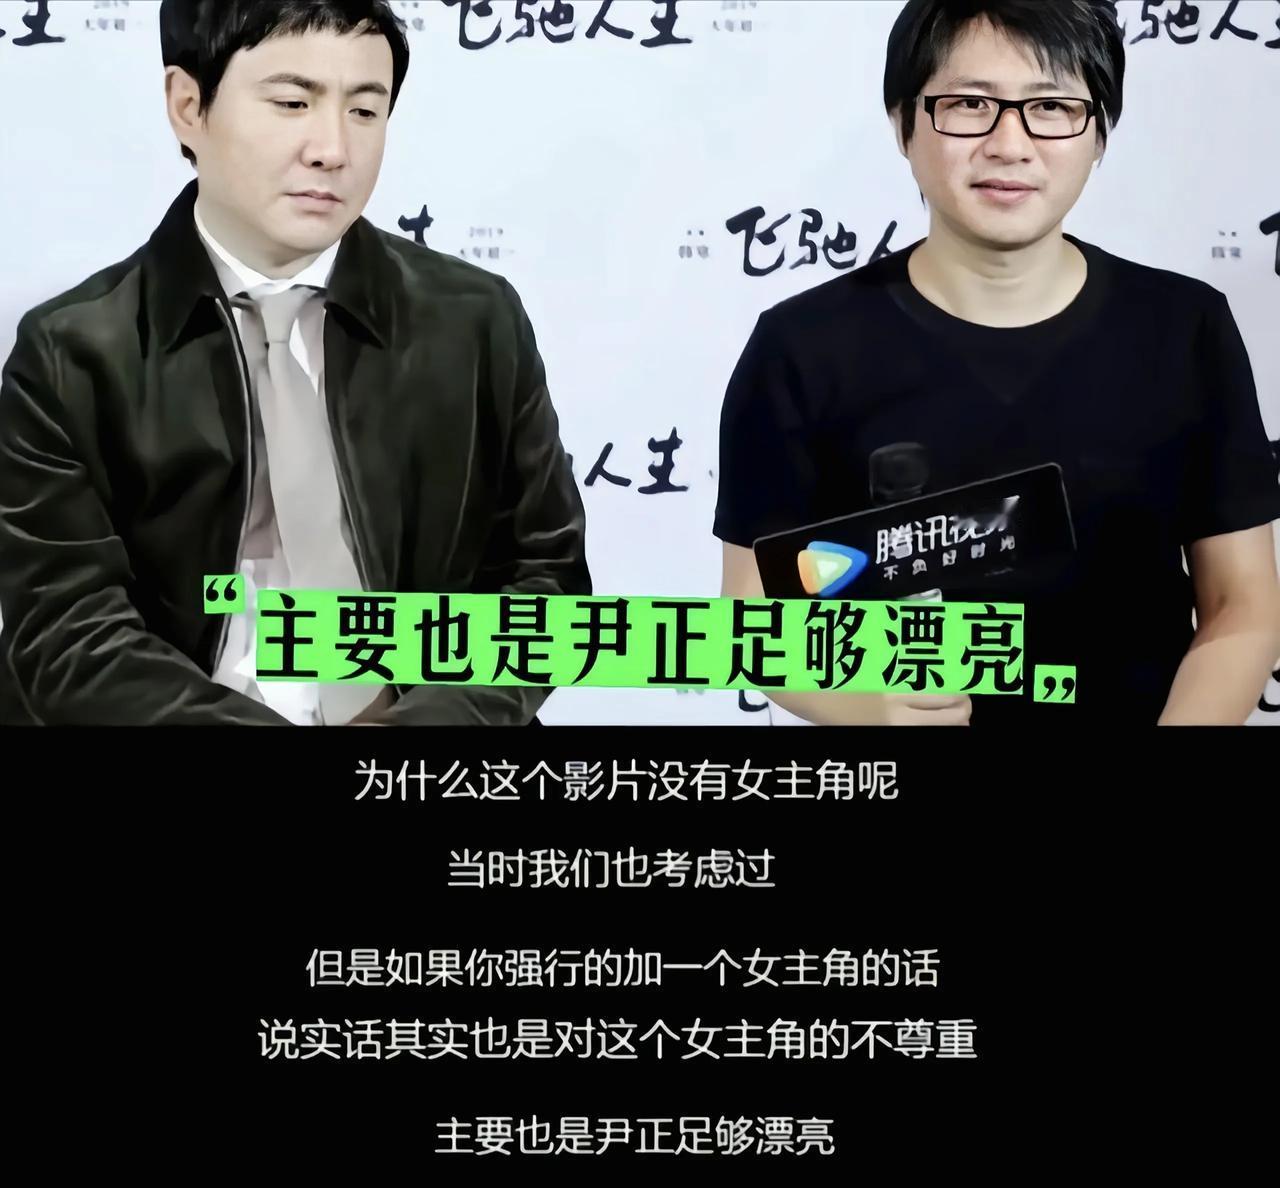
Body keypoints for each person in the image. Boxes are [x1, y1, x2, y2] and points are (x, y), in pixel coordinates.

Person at [0, 0, 589, 725]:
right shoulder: (72, 352)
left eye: (364, 111)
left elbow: (545, 583)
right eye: (291, 103)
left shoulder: (473, 320)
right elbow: (69, 637)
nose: (333, 149)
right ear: (188, 106)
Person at [715, 0, 1280, 726]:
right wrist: (869, 708)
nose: (1010, 145)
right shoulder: (801, 346)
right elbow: (754, 621)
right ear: (903, 122)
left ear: (1099, 132)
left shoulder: (1185, 327)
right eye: (969, 104)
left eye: (1052, 107)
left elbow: (1241, 604)